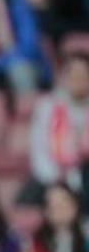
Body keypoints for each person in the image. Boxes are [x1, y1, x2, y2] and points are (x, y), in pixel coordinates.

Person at [29, 52, 89, 190]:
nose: (79, 80)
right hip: (53, 177)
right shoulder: (48, 107)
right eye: (73, 75)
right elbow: (39, 149)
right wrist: (58, 179)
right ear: (64, 77)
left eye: (84, 75)